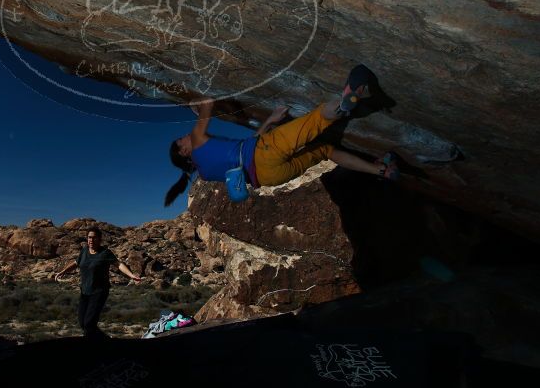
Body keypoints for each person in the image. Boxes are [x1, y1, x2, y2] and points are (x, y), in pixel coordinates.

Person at [164, 64, 400, 206]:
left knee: (325, 151)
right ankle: (346, 99)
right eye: (180, 141)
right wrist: (196, 103)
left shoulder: (204, 174)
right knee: (316, 120)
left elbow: (243, 151)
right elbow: (208, 102)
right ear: (184, 151)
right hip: (265, 151)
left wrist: (269, 120)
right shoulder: (196, 140)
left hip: (269, 177)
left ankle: (382, 170)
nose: (184, 137)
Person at [54, 226, 142, 339]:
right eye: (89, 237)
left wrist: (131, 275)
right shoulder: (84, 251)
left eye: (94, 238)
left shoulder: (105, 253)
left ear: (99, 239)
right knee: (82, 323)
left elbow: (118, 264)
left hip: (99, 292)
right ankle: (105, 339)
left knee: (89, 324)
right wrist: (62, 271)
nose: (91, 240)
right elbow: (76, 263)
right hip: (85, 292)